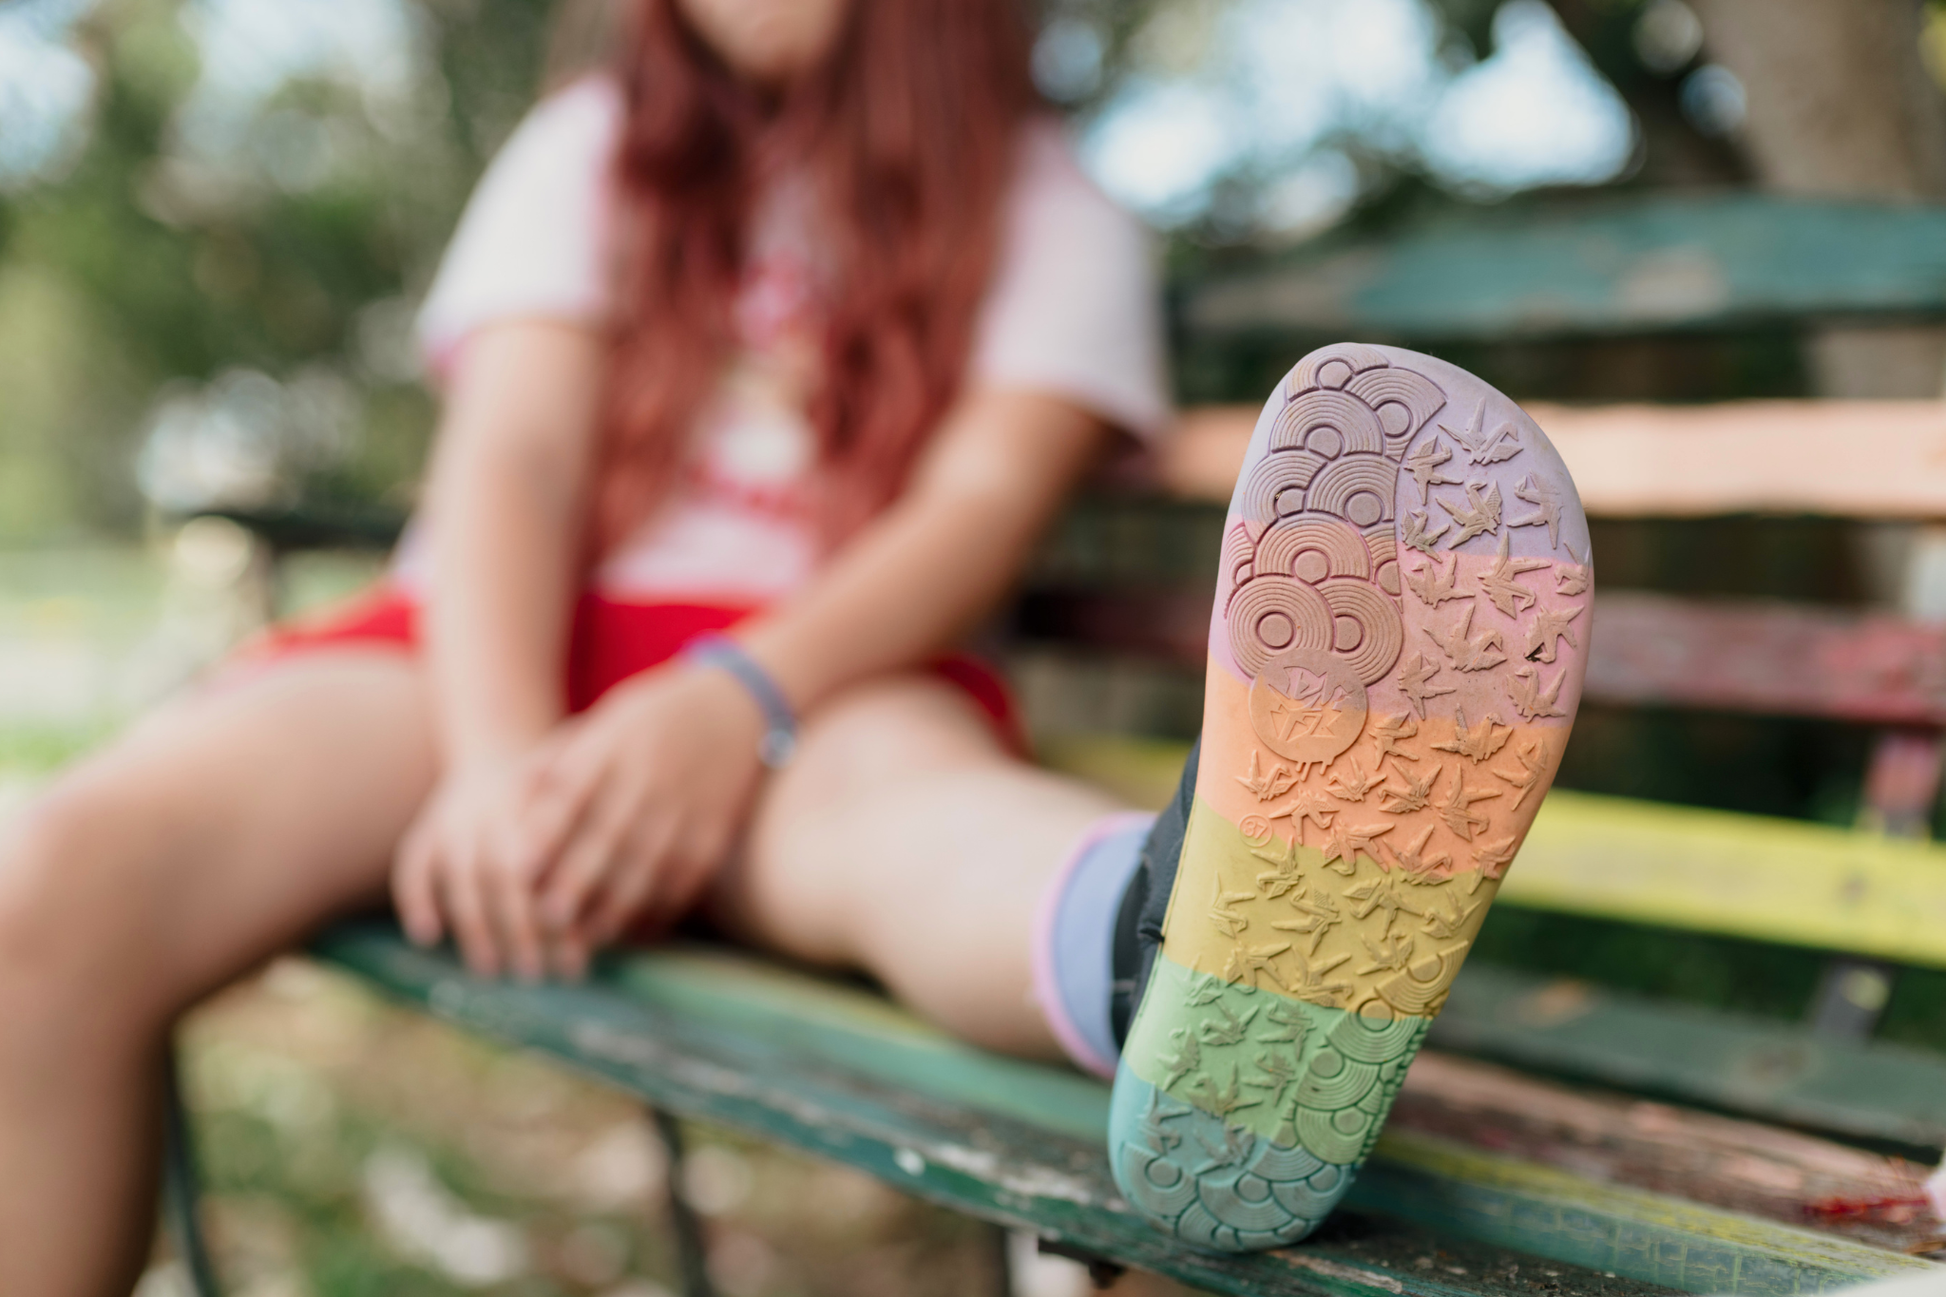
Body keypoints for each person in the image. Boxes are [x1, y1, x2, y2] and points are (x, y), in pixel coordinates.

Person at [0, 0, 1593, 1287]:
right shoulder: (590, 148)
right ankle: (1183, 941)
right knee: (52, 885)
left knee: (904, 825)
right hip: (491, 651)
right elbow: (512, 466)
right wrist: (499, 764)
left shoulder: (1052, 211)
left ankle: (1198, 950)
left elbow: (973, 512)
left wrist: (736, 693)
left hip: (816, 678)